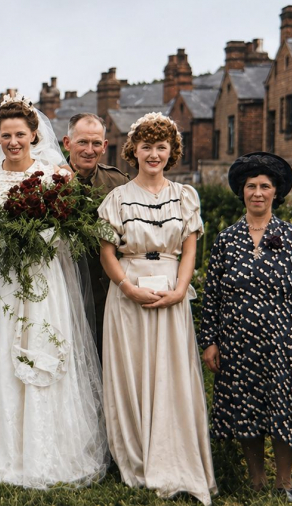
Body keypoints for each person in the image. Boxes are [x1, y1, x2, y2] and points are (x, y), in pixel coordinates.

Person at [0, 96, 108, 488]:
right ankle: (0, 444)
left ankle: (47, 447)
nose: (12, 141)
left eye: (19, 134)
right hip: (3, 280)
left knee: (44, 350)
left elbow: (70, 229)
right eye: (5, 135)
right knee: (1, 356)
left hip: (43, 278)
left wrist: (42, 237)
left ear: (34, 134)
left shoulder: (54, 175)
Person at [98, 112, 217, 504]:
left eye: (161, 147)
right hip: (128, 293)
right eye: (146, 146)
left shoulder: (185, 196)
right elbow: (107, 252)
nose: (153, 154)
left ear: (171, 151)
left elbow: (189, 250)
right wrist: (127, 288)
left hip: (171, 294)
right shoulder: (116, 198)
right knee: (133, 374)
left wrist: (181, 289)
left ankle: (174, 459)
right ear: (133, 150)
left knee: (171, 375)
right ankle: (136, 459)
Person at [199, 152, 292, 501]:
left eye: (264, 186)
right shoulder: (226, 240)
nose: (257, 192)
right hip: (238, 341)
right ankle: (256, 480)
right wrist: (210, 341)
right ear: (241, 192)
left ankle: (284, 481)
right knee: (246, 410)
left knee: (282, 410)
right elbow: (212, 296)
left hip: (285, 339)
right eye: (250, 186)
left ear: (275, 192)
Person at [63, 113, 129, 358]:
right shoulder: (49, 180)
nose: (89, 150)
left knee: (106, 360)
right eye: (82, 142)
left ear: (105, 146)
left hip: (105, 291)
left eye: (95, 143)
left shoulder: (118, 183)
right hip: (63, 288)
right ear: (67, 143)